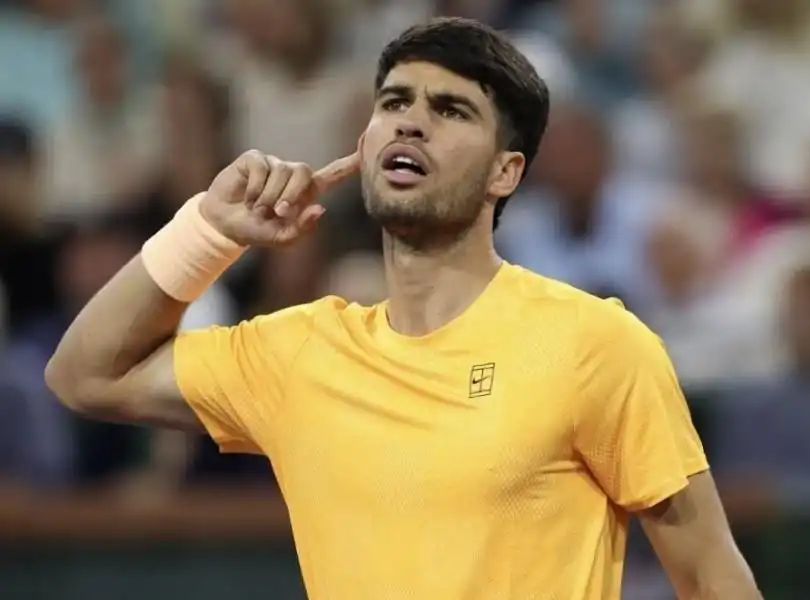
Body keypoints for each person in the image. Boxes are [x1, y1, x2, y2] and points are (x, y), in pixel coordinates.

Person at [45, 17, 759, 600]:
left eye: (450, 110)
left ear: (505, 171)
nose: (411, 123)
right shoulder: (299, 354)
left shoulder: (594, 343)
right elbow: (85, 376)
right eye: (393, 103)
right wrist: (207, 230)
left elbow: (711, 577)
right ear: (366, 144)